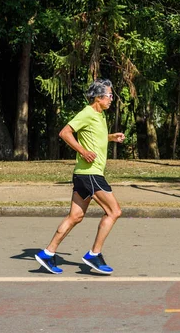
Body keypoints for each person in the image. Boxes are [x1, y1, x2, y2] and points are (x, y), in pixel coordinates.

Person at [35, 79, 125, 275]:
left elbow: (94, 136)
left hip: (84, 175)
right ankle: (94, 254)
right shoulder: (87, 113)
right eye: (109, 96)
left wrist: (111, 138)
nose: (112, 99)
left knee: (75, 216)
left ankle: (47, 254)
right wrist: (83, 151)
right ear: (98, 98)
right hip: (90, 173)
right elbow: (65, 132)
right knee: (114, 211)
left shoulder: (100, 116)